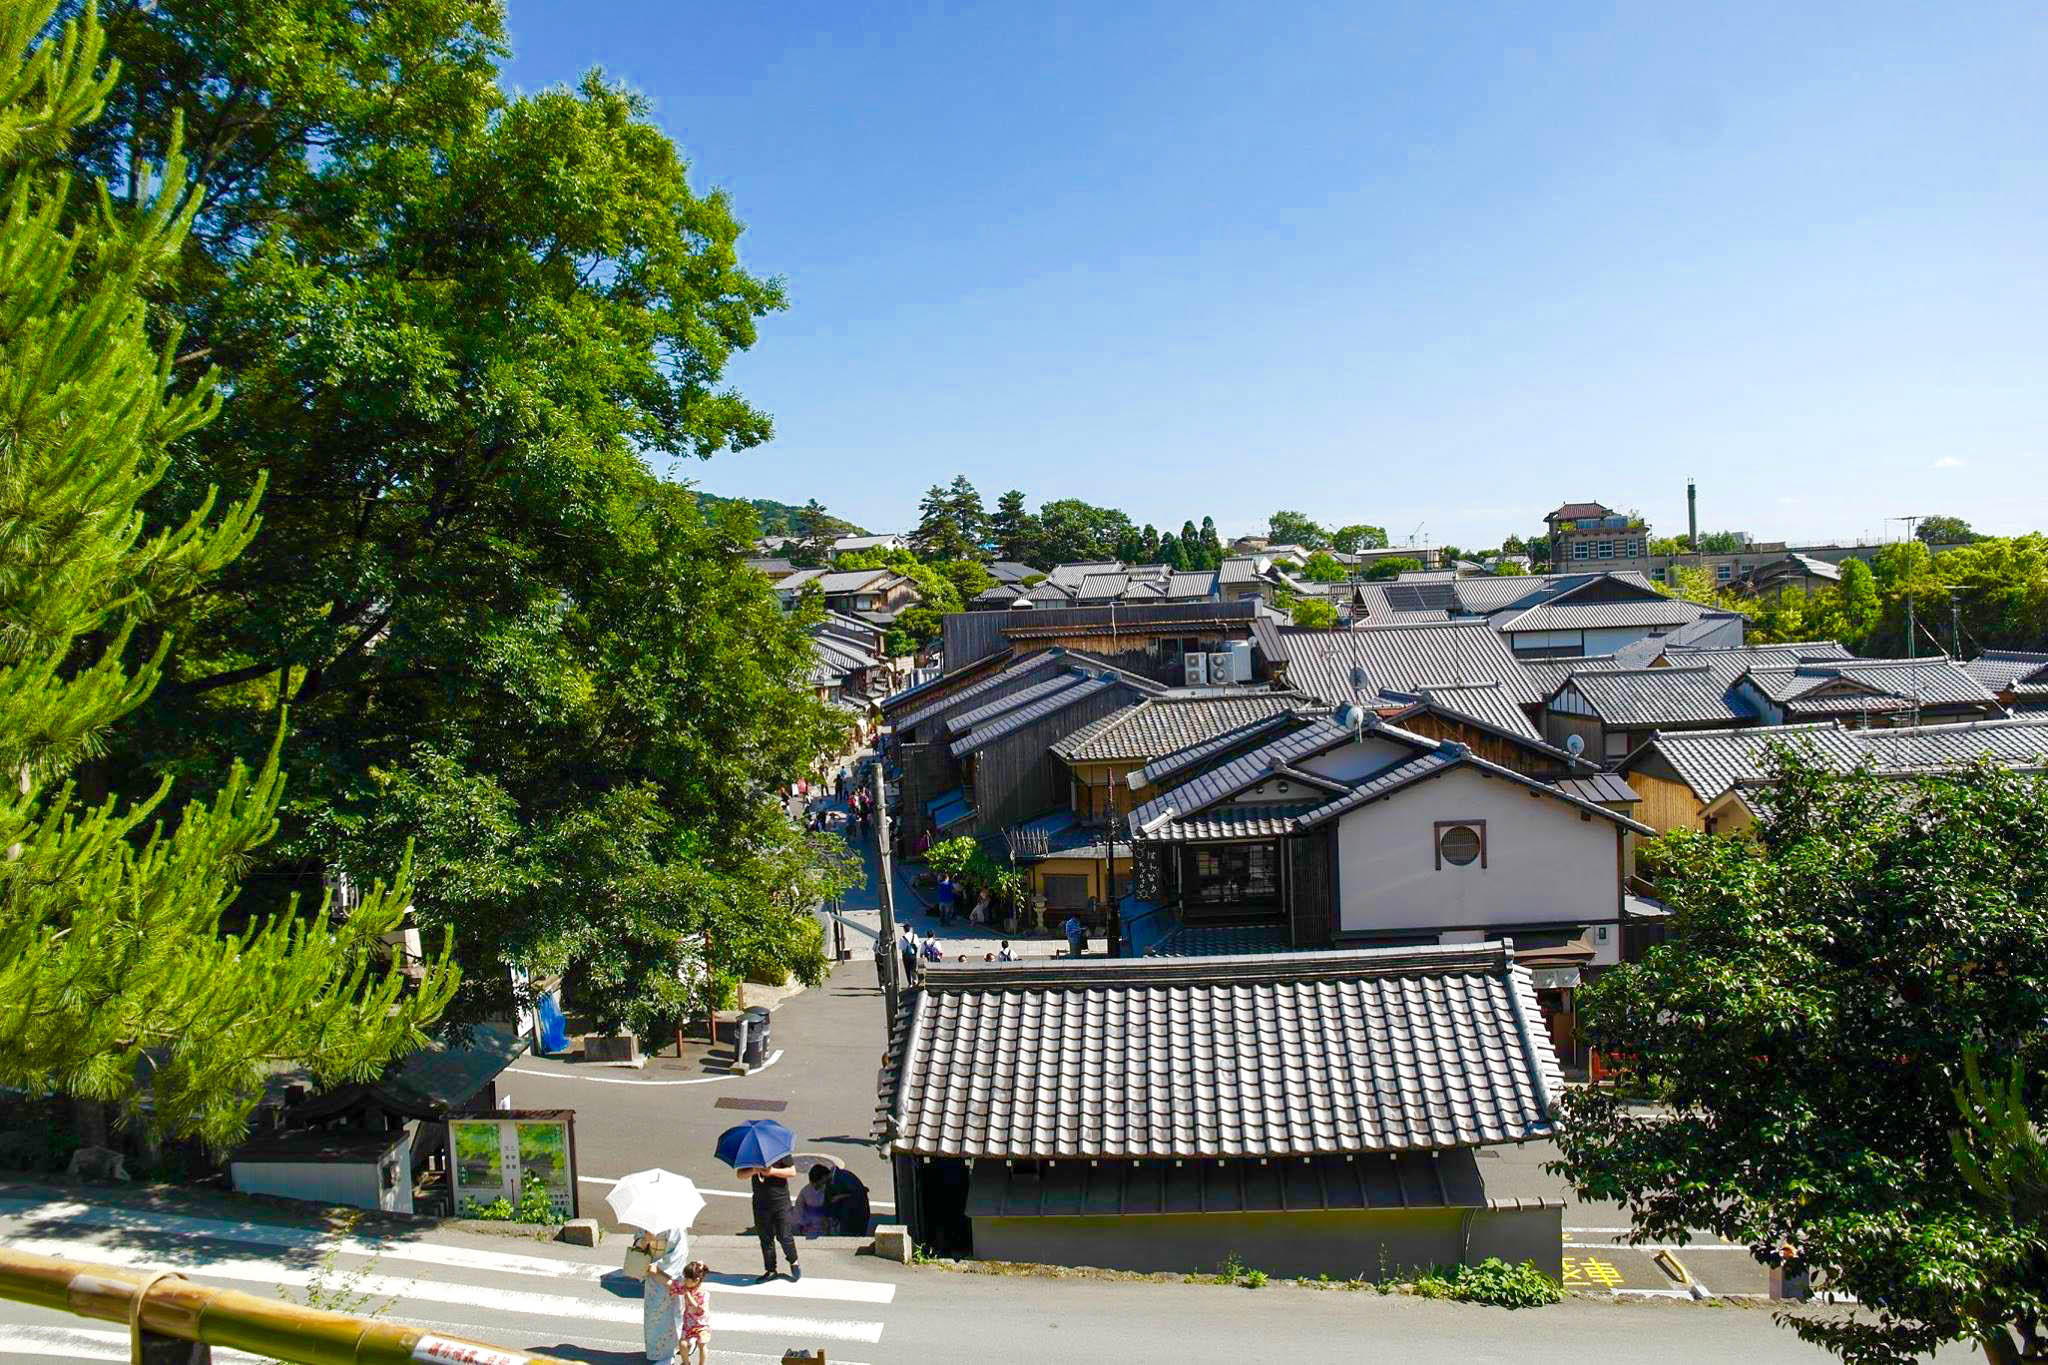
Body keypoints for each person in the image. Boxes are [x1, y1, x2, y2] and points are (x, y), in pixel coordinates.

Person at [635, 1223, 692, 1365]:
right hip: (651, 1275)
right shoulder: (644, 1222)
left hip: (669, 1275)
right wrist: (645, 1240)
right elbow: (637, 1244)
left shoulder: (676, 1226)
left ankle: (669, 1353)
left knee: (673, 1314)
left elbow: (680, 1253)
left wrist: (659, 1269)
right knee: (653, 1315)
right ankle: (658, 1351)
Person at [742, 1158, 801, 1282]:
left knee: (784, 1236)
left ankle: (793, 1261)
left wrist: (772, 1171)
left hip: (781, 1201)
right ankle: (770, 1270)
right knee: (765, 1238)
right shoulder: (751, 1154)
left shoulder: (778, 1151)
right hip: (760, 1203)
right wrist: (754, 1170)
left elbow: (792, 1172)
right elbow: (740, 1175)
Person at [675, 1261, 710, 1365]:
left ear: (696, 1280)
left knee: (702, 1344)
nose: (684, 1280)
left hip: (701, 1324)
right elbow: (674, 1288)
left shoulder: (703, 1293)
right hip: (689, 1322)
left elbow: (699, 1309)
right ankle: (686, 1363)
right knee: (682, 1344)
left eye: (687, 1279)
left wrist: (688, 1295)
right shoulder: (686, 1287)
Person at [824, 1165, 872, 1236]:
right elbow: (828, 1202)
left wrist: (839, 1197)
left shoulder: (844, 1178)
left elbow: (857, 1192)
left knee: (855, 1234)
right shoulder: (830, 1182)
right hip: (846, 1216)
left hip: (856, 1213)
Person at [795, 1165, 833, 1238]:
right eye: (824, 1178)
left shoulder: (827, 1189)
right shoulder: (805, 1192)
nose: (826, 1180)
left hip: (824, 1224)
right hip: (809, 1225)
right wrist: (802, 1224)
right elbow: (798, 1210)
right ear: (817, 1180)